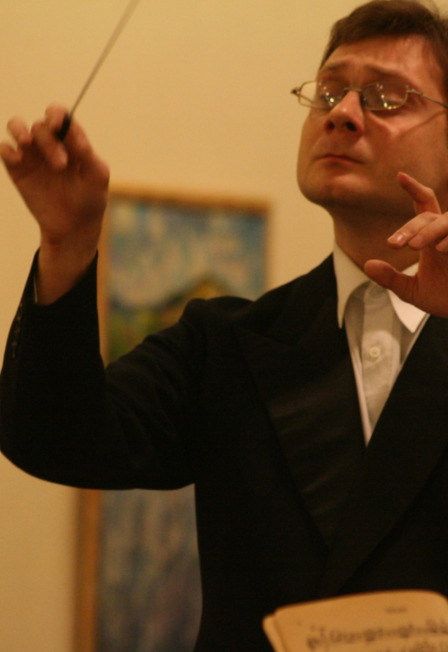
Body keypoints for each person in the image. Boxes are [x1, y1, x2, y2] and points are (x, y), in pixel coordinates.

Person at [3, 0, 448, 649]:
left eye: (386, 97)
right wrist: (67, 244)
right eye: (329, 92)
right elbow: (53, 436)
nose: (343, 113)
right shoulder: (223, 344)